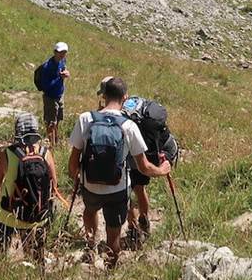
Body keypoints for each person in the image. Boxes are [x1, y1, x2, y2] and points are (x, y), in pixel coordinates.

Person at [68, 76, 170, 268]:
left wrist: (80, 180)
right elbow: (144, 167)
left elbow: (73, 162)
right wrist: (162, 170)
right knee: (114, 234)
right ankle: (110, 268)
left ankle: (90, 244)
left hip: (90, 186)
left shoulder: (85, 119)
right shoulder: (128, 126)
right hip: (117, 191)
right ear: (125, 97)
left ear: (104, 95)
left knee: (89, 211)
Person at [0, 112, 62, 259]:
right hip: (37, 217)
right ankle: (38, 278)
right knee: (35, 258)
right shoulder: (46, 153)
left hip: (7, 215)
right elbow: (54, 186)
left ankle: (0, 271)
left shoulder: (6, 154)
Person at [122, 95, 179, 246]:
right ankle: (144, 221)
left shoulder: (121, 113)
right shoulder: (137, 104)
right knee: (140, 189)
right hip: (148, 153)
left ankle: (133, 230)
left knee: (127, 193)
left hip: (132, 155)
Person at [33, 42, 70, 147]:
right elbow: (46, 86)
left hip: (59, 95)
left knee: (57, 120)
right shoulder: (47, 67)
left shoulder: (63, 61)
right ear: (55, 52)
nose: (62, 54)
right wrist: (60, 78)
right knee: (50, 122)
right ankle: (52, 145)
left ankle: (56, 141)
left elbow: (63, 69)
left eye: (64, 52)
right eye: (60, 52)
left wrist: (65, 73)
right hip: (50, 97)